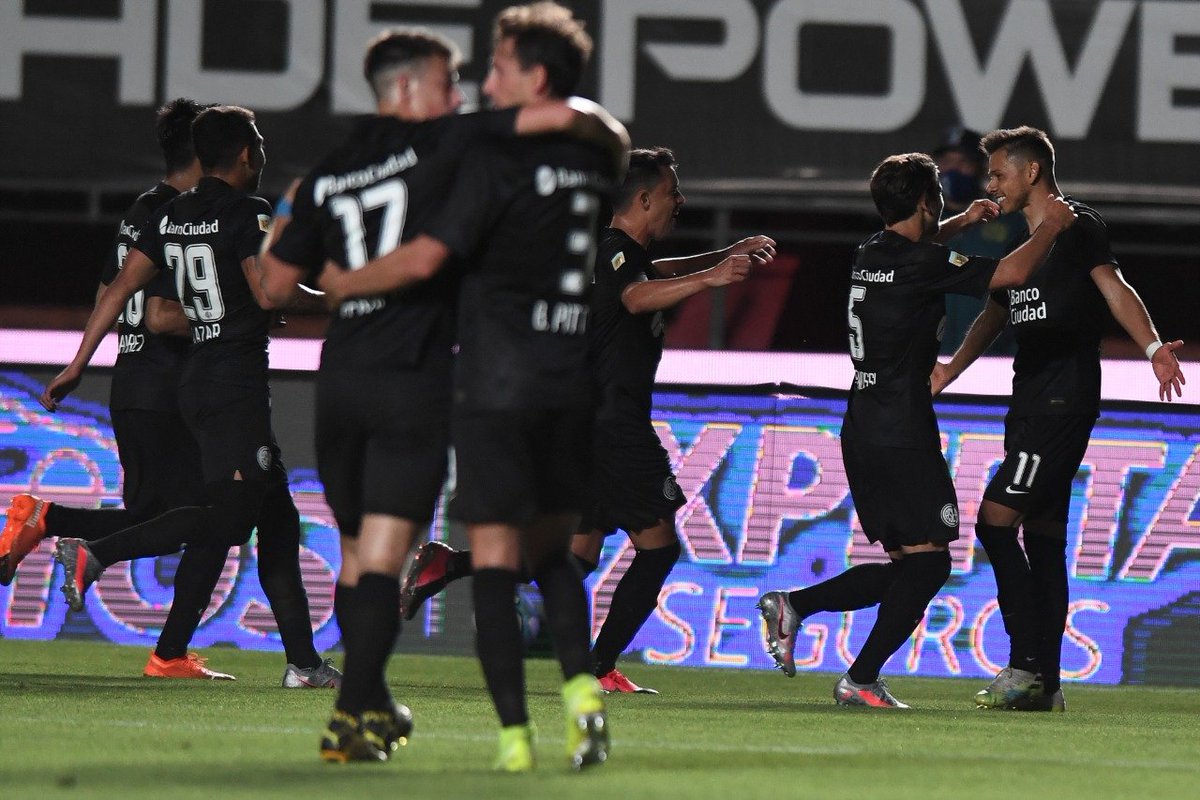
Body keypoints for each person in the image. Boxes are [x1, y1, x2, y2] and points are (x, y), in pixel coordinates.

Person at [260, 26, 620, 763]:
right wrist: (598, 135)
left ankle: (370, 705)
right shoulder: (449, 143)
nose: (464, 93)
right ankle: (352, 716)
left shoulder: (325, 173)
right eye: (450, 81)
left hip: (340, 380)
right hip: (412, 382)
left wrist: (316, 248)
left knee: (358, 557)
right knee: (387, 561)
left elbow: (269, 281)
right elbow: (577, 120)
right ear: (408, 89)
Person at [397, 147, 775, 695]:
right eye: (672, 192)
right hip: (612, 426)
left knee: (575, 557)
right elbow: (638, 295)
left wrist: (723, 255)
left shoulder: (613, 252)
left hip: (584, 424)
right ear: (644, 199)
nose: (681, 201)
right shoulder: (613, 255)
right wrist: (712, 277)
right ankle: (597, 669)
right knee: (660, 548)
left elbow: (649, 274)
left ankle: (450, 565)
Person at [1, 101, 336, 687]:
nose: (262, 153)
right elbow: (266, 291)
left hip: (197, 378)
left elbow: (120, 288)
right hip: (232, 383)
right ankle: (94, 554)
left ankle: (303, 664)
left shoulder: (171, 214)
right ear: (243, 155)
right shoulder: (251, 211)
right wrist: (332, 295)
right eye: (257, 143)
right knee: (227, 521)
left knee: (278, 523)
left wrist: (78, 363)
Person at [757, 151, 1078, 708]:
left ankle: (797, 606)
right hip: (902, 432)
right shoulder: (920, 263)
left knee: (910, 568)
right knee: (929, 565)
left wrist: (962, 222)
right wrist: (1051, 226)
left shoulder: (870, 252)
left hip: (862, 426)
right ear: (927, 202)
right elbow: (1013, 273)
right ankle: (858, 680)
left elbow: (915, 252)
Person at [931, 126, 1186, 712]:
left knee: (995, 522)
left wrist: (1152, 350)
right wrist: (951, 370)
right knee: (1042, 541)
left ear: (1030, 173)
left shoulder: (1078, 227)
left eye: (997, 173)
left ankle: (1024, 663)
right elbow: (996, 313)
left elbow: (1114, 287)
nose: (989, 182)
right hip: (1027, 404)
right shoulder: (1021, 243)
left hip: (1063, 401)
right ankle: (1045, 685)